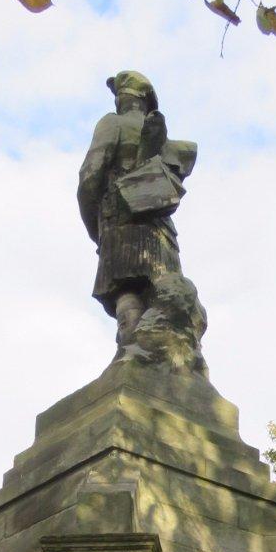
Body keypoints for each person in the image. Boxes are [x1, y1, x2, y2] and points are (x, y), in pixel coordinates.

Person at [77, 71, 197, 349]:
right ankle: (160, 354)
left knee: (127, 291)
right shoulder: (167, 143)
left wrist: (97, 232)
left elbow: (89, 177)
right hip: (161, 230)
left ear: (122, 99)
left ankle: (132, 352)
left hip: (120, 222)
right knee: (163, 294)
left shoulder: (113, 124)